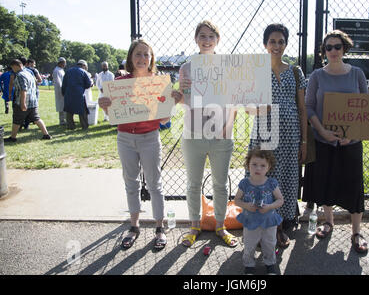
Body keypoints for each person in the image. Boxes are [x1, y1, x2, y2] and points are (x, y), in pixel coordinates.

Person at [172, 20, 238, 248]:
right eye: (202, 36)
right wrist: (176, 94)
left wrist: (226, 128)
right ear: (196, 39)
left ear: (218, 40)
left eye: (211, 36)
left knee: (220, 184)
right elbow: (184, 101)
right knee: (193, 184)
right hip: (193, 134)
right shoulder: (187, 68)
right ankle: (194, 226)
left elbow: (233, 102)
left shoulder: (227, 66)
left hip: (221, 135)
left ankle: (221, 225)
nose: (207, 40)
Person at [99, 39, 170, 251]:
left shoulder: (158, 82)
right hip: (125, 138)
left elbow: (165, 121)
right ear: (131, 57)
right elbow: (114, 115)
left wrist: (170, 101)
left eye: (146, 54)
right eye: (138, 54)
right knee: (131, 182)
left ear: (151, 59)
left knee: (154, 183)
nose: (142, 58)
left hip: (150, 137)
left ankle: (159, 227)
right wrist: (105, 107)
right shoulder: (121, 83)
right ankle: (134, 226)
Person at [303, 29, 369, 254]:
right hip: (325, 141)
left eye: (337, 46)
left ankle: (356, 232)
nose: (332, 50)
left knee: (353, 185)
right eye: (328, 47)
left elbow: (365, 107)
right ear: (324, 51)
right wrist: (321, 130)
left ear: (344, 48)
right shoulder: (317, 76)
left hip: (351, 142)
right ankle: (328, 221)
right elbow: (309, 106)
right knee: (326, 181)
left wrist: (354, 132)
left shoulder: (357, 74)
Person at [247, 23, 308, 248]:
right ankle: (260, 230)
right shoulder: (255, 72)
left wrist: (304, 140)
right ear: (265, 44)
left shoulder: (295, 71)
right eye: (272, 41)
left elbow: (302, 108)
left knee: (285, 180)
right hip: (264, 135)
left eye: (281, 41)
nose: (276, 45)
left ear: (285, 44)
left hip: (291, 138)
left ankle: (280, 227)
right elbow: (247, 107)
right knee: (263, 178)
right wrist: (259, 109)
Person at [234, 147, 283, 275]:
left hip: (269, 221)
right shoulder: (244, 183)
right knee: (249, 244)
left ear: (268, 167)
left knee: (269, 244)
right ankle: (249, 264)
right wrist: (246, 205)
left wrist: (269, 206)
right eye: (254, 164)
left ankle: (270, 263)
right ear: (248, 165)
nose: (258, 168)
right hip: (251, 221)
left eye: (262, 165)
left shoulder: (271, 183)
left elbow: (280, 200)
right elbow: (237, 200)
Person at [4, 59, 51, 143]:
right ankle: (46, 134)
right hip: (33, 101)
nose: (12, 70)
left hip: (23, 101)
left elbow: (23, 90)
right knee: (37, 119)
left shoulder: (20, 75)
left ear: (16, 66)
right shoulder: (29, 73)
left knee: (16, 120)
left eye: (12, 67)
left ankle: (13, 137)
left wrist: (22, 103)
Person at [62, 60, 92, 130]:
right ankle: (84, 126)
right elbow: (88, 84)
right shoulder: (84, 72)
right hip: (79, 94)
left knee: (69, 111)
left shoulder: (68, 71)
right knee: (82, 111)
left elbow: (64, 84)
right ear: (84, 66)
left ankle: (70, 126)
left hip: (68, 94)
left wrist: (64, 93)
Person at [53, 57, 67, 125]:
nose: (65, 64)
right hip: (60, 90)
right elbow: (58, 82)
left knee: (64, 105)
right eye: (64, 63)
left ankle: (65, 119)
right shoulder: (56, 71)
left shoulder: (61, 70)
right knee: (61, 106)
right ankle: (62, 120)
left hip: (63, 90)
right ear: (61, 63)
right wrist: (62, 90)